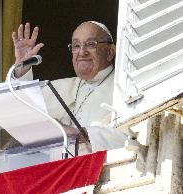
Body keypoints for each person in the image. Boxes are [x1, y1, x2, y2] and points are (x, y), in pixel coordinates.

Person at [11, 21, 127, 153]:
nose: (82, 52)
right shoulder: (61, 86)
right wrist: (22, 68)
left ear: (110, 52)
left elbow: (130, 136)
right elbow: (18, 110)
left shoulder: (125, 88)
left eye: (90, 44)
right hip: (59, 170)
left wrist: (79, 134)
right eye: (76, 46)